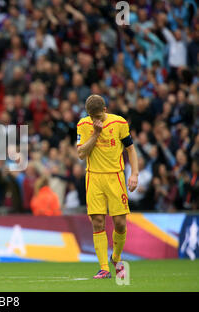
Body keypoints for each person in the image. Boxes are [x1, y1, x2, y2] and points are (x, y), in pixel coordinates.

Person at [76, 94, 139, 279]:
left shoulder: (119, 123)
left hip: (116, 178)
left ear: (105, 110)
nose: (96, 120)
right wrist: (95, 134)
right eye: (92, 117)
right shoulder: (83, 125)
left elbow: (130, 149)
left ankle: (116, 257)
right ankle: (104, 268)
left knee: (120, 223)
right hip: (94, 178)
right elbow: (81, 153)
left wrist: (134, 174)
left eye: (99, 117)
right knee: (97, 222)